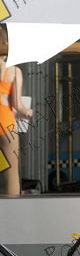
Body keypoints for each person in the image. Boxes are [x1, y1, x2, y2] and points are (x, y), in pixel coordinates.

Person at [0, 24, 35, 196]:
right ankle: (10, 207)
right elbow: (17, 105)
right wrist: (28, 112)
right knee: (11, 171)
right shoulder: (14, 71)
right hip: (6, 122)